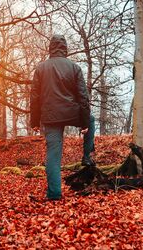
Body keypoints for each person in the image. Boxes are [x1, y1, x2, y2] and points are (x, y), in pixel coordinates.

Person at [30, 34, 96, 200]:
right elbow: (83, 97)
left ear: (50, 48)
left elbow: (35, 97)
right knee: (91, 120)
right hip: (71, 112)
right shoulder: (74, 67)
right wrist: (84, 123)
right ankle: (87, 155)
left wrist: (35, 121)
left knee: (53, 155)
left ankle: (54, 194)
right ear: (65, 48)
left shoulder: (40, 68)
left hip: (50, 116)